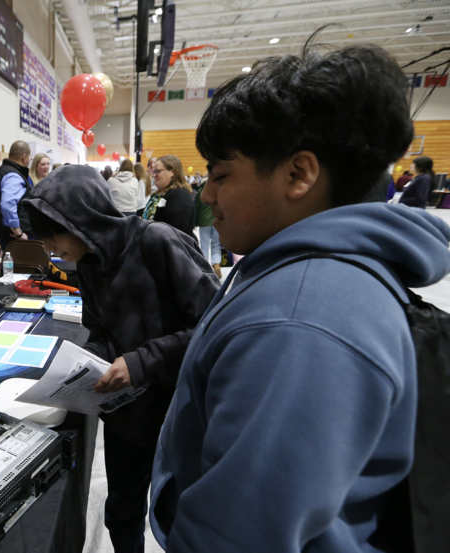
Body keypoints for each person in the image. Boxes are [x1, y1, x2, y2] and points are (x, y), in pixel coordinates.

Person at [149, 40, 450, 552]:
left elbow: (237, 535)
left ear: (298, 175)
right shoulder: (304, 274)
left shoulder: (297, 320)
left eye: (221, 175)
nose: (207, 196)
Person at [21, 165, 219, 553]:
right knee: (122, 513)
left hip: (178, 412)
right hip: (127, 415)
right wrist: (84, 368)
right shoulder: (89, 265)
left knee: (182, 515)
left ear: (82, 219)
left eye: (54, 233)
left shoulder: (157, 241)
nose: (48, 248)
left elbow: (216, 323)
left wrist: (143, 361)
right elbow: (98, 330)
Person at [0, 141, 32, 249]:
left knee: (17, 265)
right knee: (26, 265)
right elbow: (7, 205)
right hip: (16, 237)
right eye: (29, 158)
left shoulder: (6, 171)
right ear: (24, 157)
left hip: (10, 235)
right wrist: (18, 233)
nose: (29, 161)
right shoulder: (13, 176)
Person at [142, 155, 196, 237]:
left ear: (172, 172)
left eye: (158, 171)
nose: (154, 175)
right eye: (154, 171)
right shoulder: (157, 194)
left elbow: (175, 230)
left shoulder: (180, 195)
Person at [194, 180, 223, 278]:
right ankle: (216, 264)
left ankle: (205, 267)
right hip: (217, 219)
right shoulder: (219, 189)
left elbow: (197, 207)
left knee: (204, 244)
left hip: (203, 221)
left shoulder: (202, 190)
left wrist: (195, 221)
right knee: (216, 243)